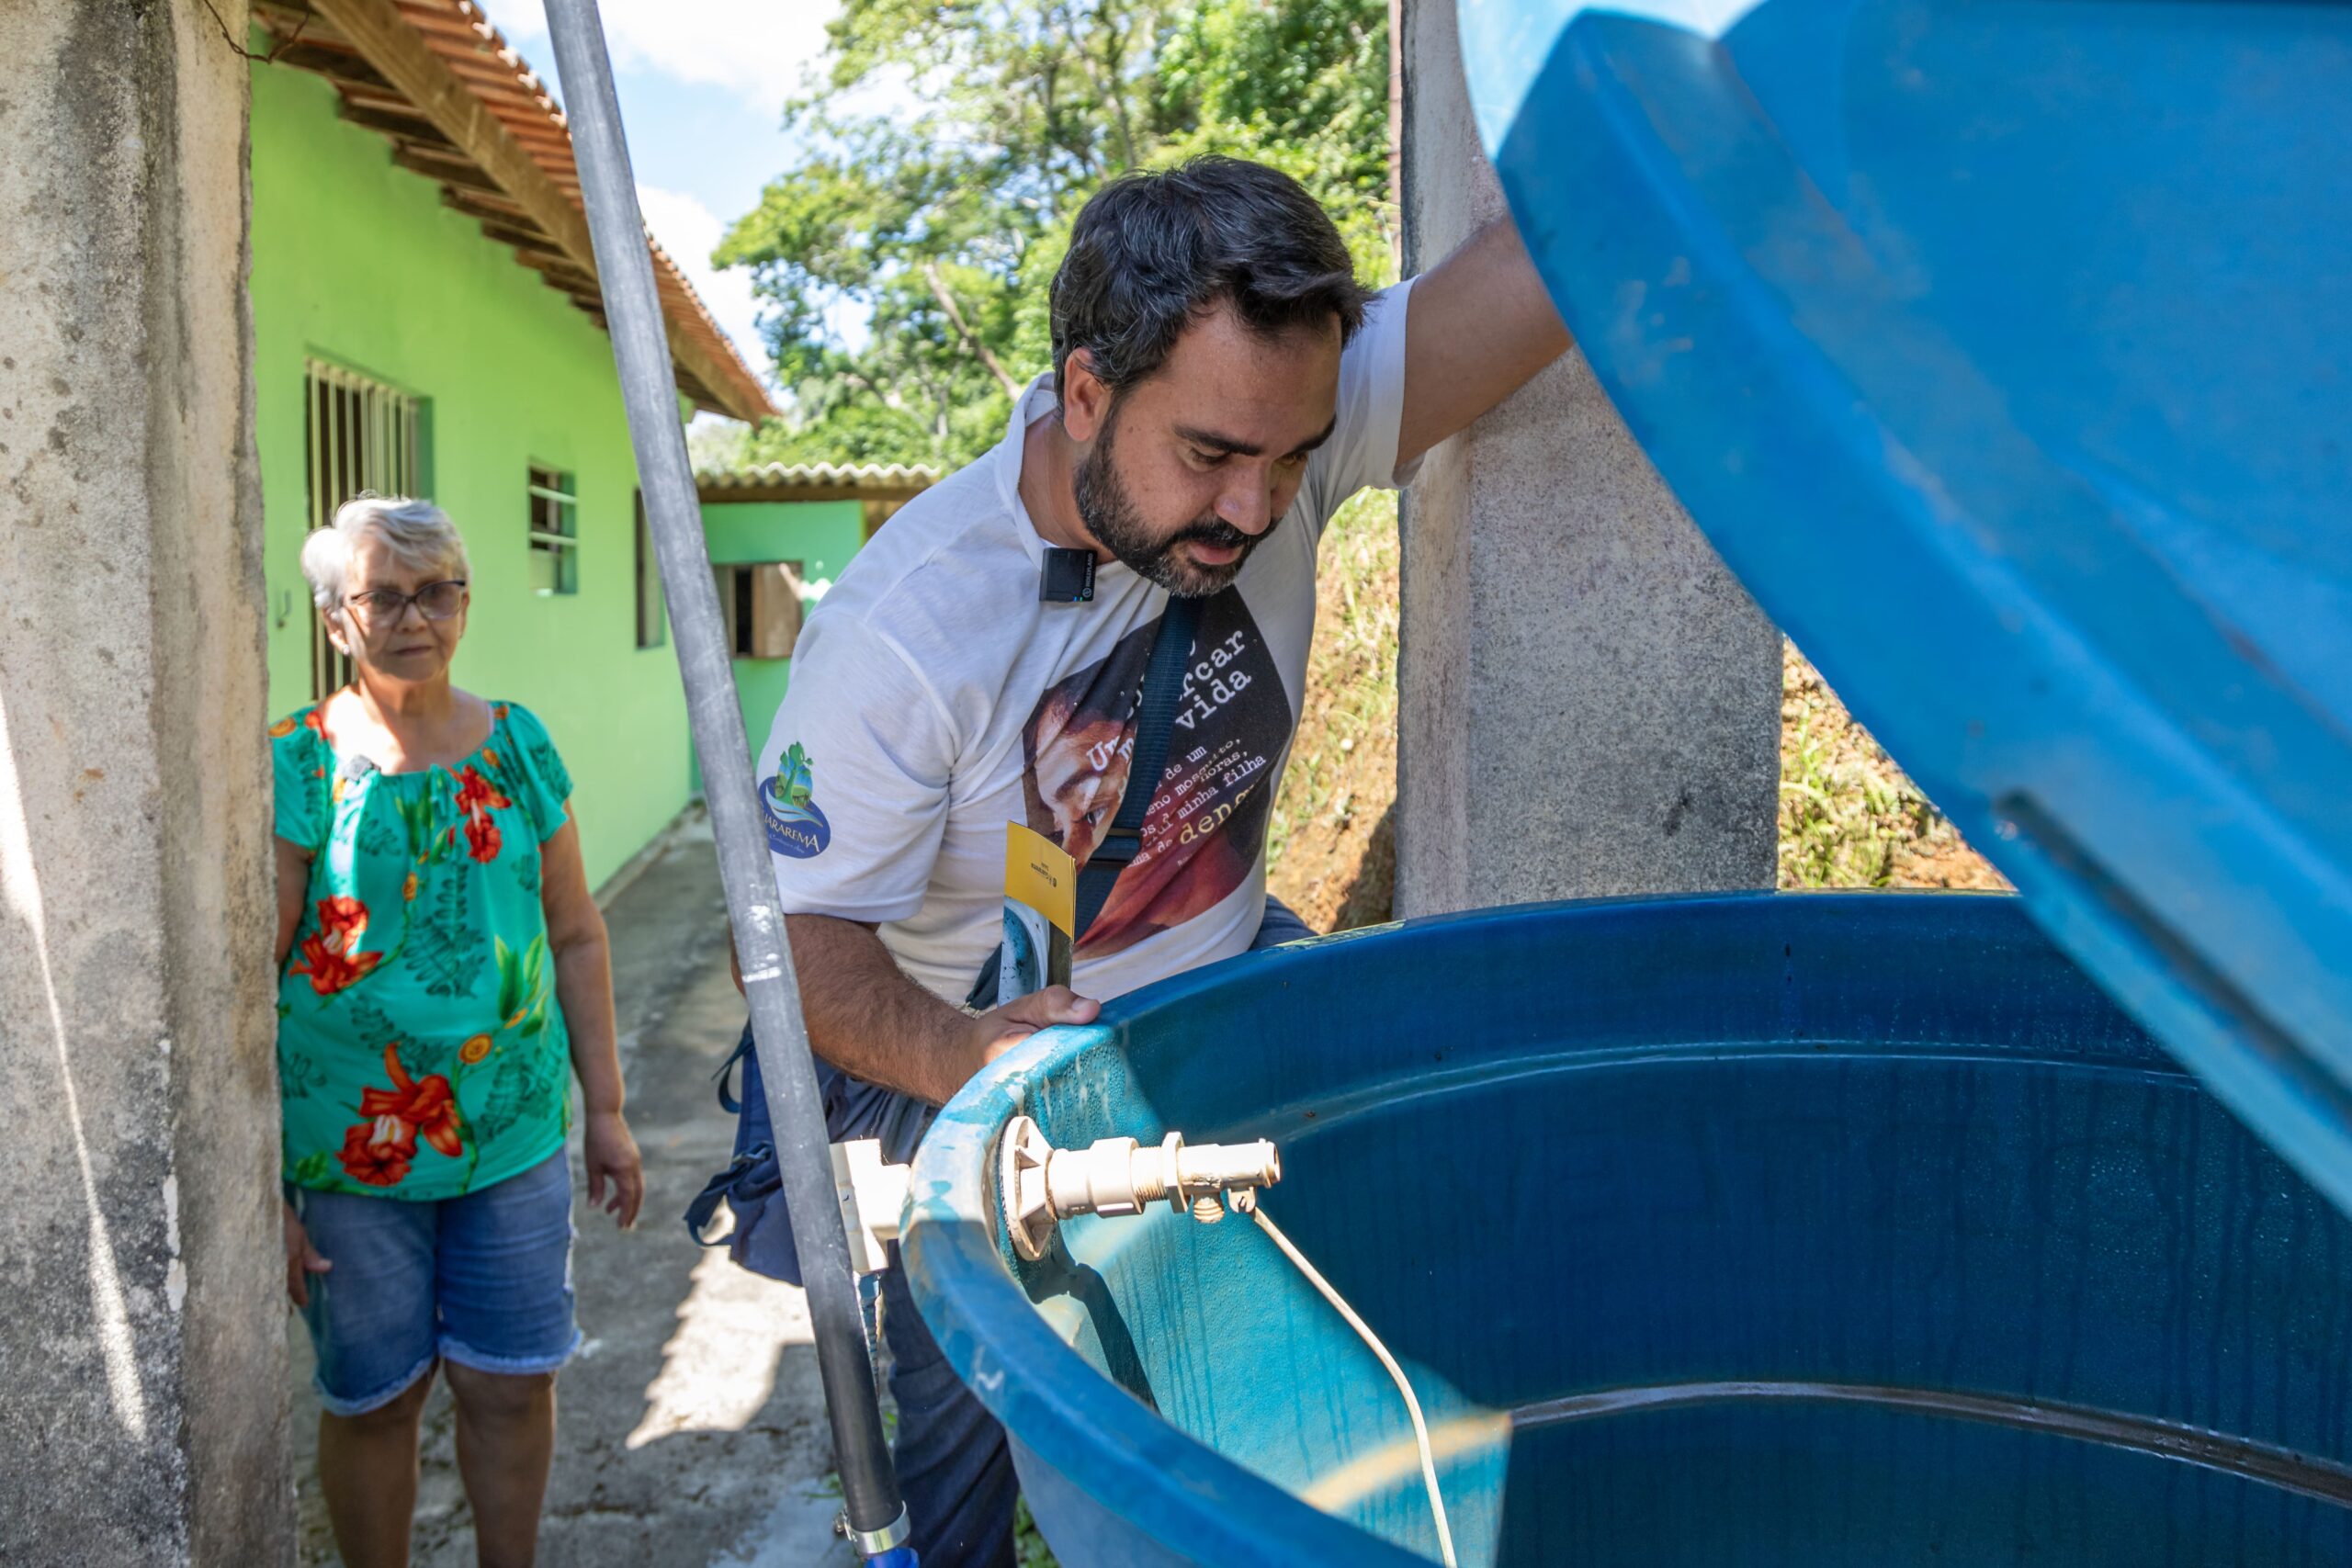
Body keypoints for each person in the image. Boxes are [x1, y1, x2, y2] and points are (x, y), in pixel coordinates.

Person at [741, 155, 1568, 1565]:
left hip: (1215, 985)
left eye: (1294, 458)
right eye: (1210, 456)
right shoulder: (909, 631)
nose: (1257, 505)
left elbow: (1537, 272)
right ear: (1084, 393)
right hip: (961, 1059)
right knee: (962, 1439)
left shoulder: (1271, 405)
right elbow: (793, 942)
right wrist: (971, 1057)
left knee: (1292, 1363)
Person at [272, 496, 644, 1568]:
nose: (414, 619)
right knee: (374, 1399)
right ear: (336, 619)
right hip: (348, 1152)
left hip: (513, 1133)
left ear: (465, 605)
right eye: (383, 597)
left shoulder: (518, 744)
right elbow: (254, 977)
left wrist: (607, 1110)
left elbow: (576, 933)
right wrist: (262, 1188)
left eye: (437, 593)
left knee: (510, 1384)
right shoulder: (298, 761)